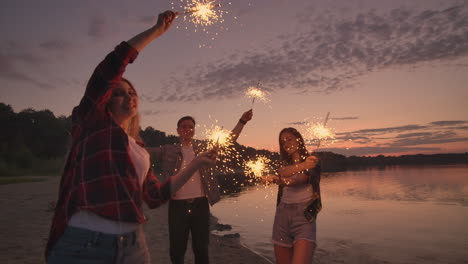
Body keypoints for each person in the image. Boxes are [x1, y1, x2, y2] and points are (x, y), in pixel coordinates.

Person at [45, 10, 218, 264]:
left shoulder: (138, 147)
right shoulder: (92, 122)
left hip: (134, 245)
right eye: (119, 93)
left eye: (131, 92)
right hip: (85, 243)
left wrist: (197, 163)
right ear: (105, 100)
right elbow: (113, 65)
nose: (128, 96)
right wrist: (156, 31)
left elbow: (155, 196)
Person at [148, 110, 253, 264]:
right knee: (177, 249)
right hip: (177, 206)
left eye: (190, 126)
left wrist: (242, 121)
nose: (187, 129)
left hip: (200, 205)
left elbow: (229, 141)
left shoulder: (203, 148)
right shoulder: (168, 150)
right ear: (177, 130)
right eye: (183, 126)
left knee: (202, 248)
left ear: (194, 129)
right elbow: (146, 153)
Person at [262, 127, 321, 264]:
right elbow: (283, 173)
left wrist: (306, 165)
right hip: (282, 216)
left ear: (298, 140)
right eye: (283, 142)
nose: (286, 144)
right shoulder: (285, 164)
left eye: (289, 139)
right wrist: (275, 179)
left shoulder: (313, 162)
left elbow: (295, 181)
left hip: (304, 217)